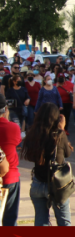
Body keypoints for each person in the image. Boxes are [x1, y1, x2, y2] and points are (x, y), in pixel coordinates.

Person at [22, 102, 72, 226]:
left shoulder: (33, 134)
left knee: (41, 221)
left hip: (38, 183)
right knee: (64, 222)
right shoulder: (59, 135)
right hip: (56, 185)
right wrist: (62, 129)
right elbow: (67, 153)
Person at [0, 94, 22, 225]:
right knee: (10, 219)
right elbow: (17, 141)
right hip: (10, 177)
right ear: (5, 110)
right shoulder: (12, 127)